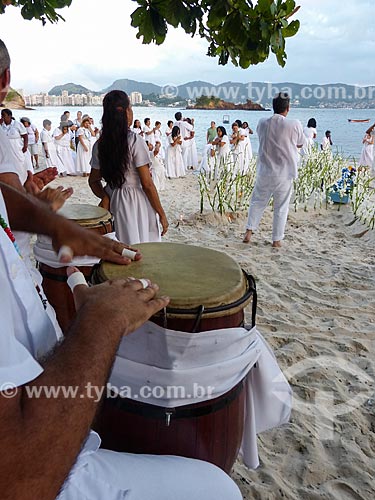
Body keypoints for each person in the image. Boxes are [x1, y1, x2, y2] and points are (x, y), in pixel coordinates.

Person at [0, 38, 243, 500]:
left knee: (123, 262)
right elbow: (17, 475)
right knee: (219, 488)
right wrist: (102, 319)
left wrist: (61, 218)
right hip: (48, 457)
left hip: (114, 208)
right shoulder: (134, 140)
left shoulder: (99, 144)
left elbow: (85, 182)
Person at [89, 90, 169, 245]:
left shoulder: (100, 145)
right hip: (136, 201)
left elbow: (93, 181)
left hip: (114, 199)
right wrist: (162, 214)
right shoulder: (134, 141)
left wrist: (105, 196)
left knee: (121, 244)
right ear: (126, 112)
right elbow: (147, 184)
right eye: (130, 108)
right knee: (141, 245)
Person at [243, 92, 304, 248]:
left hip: (265, 171)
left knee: (257, 202)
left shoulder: (262, 122)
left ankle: (249, 233)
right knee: (281, 208)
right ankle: (276, 240)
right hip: (284, 173)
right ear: (288, 108)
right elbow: (300, 144)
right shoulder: (294, 124)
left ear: (273, 107)